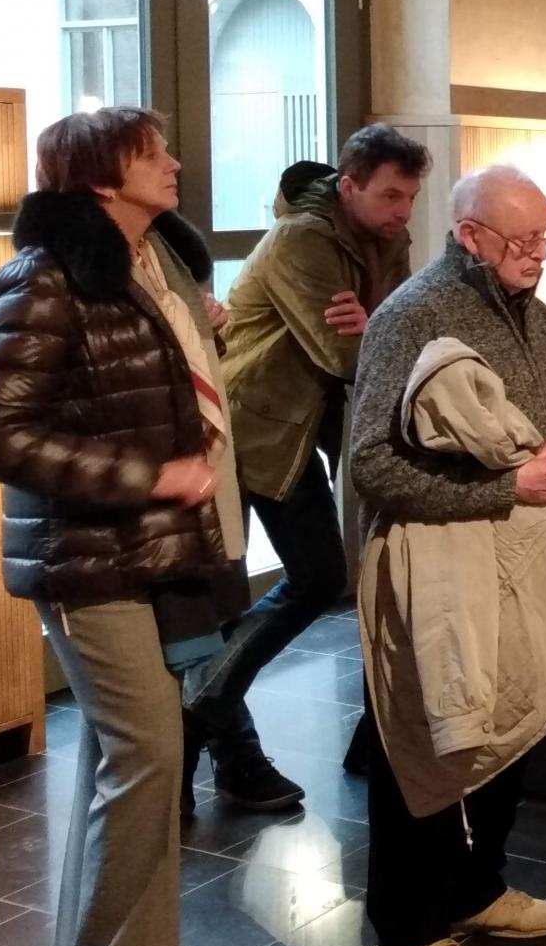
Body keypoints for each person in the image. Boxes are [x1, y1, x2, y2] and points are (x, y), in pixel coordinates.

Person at [0, 108, 236, 946]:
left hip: (138, 556)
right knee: (148, 758)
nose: (174, 161)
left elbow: (121, 391)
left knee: (128, 765)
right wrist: (147, 476)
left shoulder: (144, 267)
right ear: (98, 174)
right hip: (85, 563)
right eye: (151, 152)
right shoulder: (40, 278)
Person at [348, 165, 546, 946]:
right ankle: (406, 930)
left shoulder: (539, 314)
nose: (537, 256)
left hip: (519, 555)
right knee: (424, 741)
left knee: (507, 718)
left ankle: (476, 887)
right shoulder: (412, 317)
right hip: (436, 565)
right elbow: (372, 467)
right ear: (468, 237)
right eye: (519, 242)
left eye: (542, 239)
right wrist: (507, 488)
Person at [183, 124, 429, 811]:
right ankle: (212, 731)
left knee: (303, 581)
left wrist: (374, 316)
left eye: (409, 196)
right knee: (293, 582)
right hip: (251, 427)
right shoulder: (300, 241)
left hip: (301, 430)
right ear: (347, 186)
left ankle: (209, 730)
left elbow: (401, 328)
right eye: (389, 195)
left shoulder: (386, 235)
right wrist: (378, 326)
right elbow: (342, 355)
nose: (403, 211)